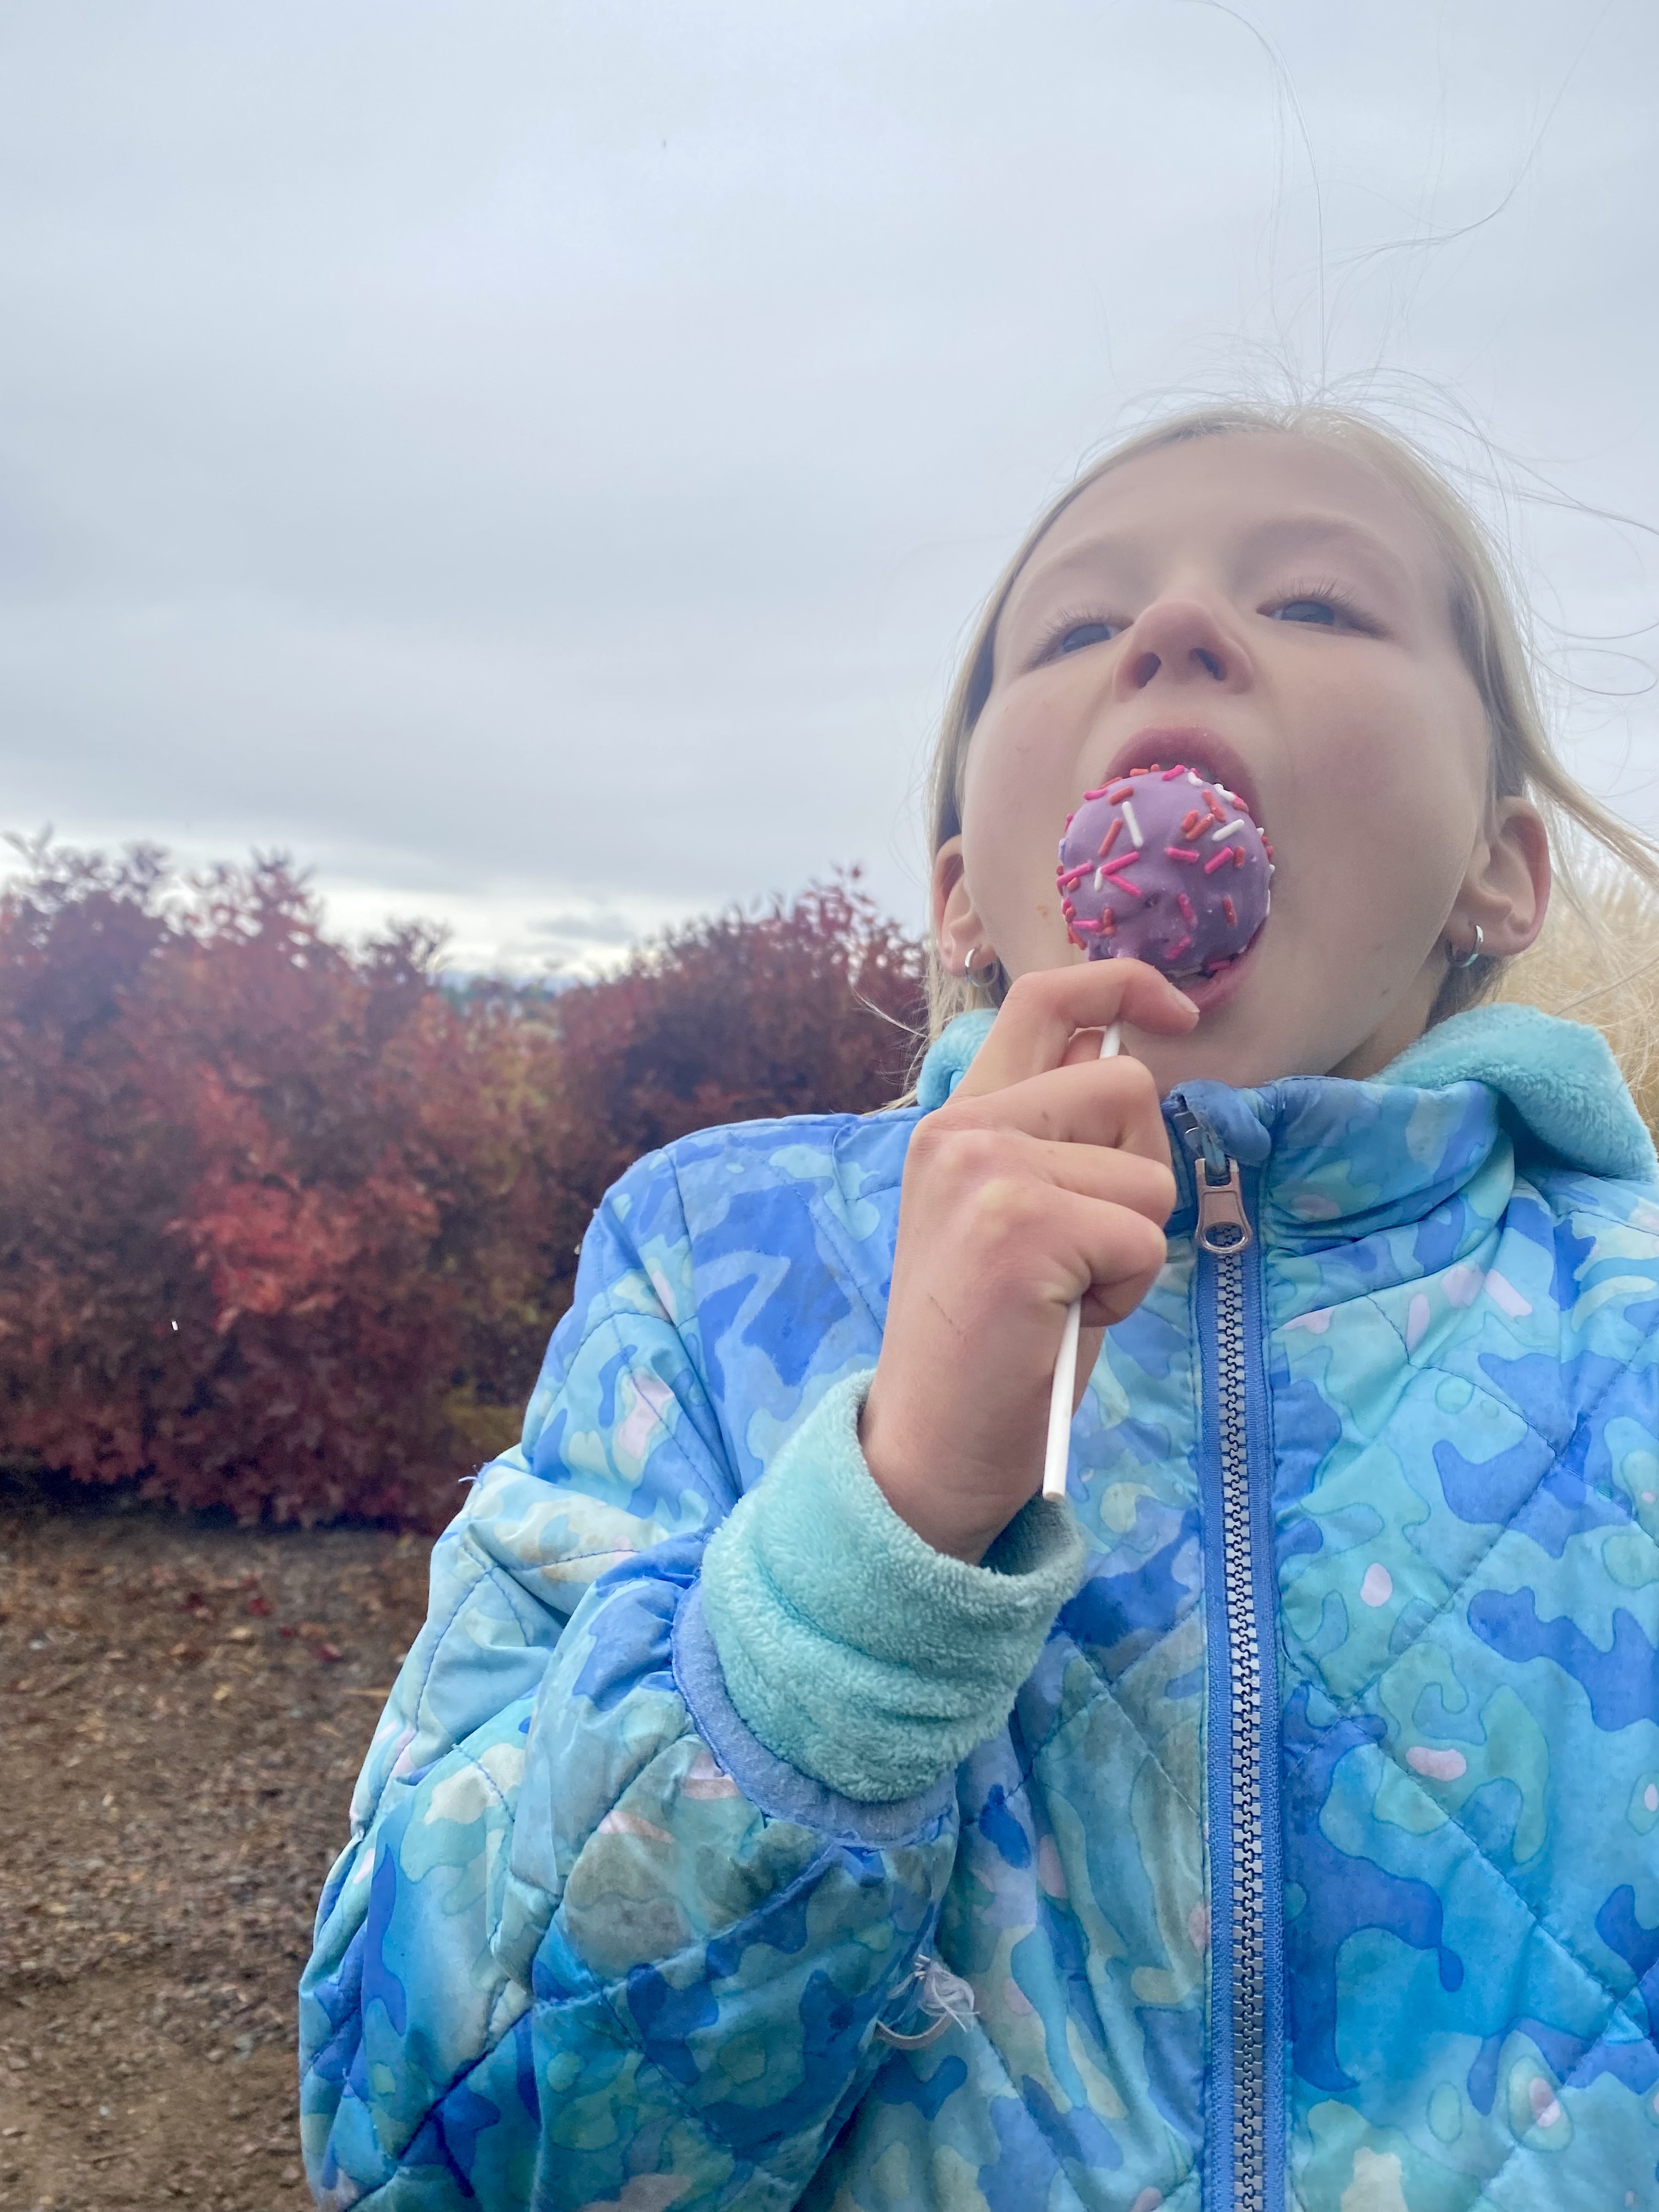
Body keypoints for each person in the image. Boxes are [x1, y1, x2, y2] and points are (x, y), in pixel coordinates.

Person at [298, 402, 1659, 2212]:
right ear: (963, 898)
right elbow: (432, 2142)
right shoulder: (717, 1268)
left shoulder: (1627, 1320)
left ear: (1501, 866)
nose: (1179, 634)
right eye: (1081, 630)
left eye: (1322, 605)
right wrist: (869, 1553)